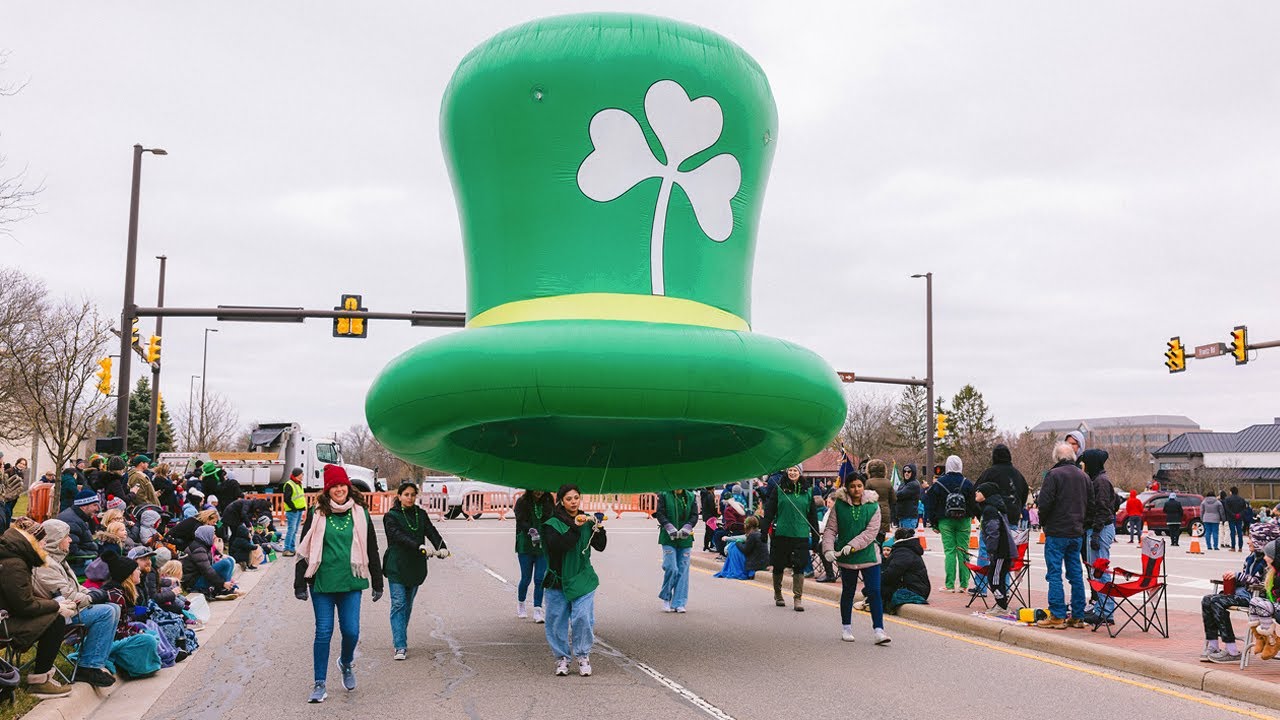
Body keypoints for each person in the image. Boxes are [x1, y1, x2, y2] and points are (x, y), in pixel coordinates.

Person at [294, 465, 383, 703]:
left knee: (351, 631)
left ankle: (345, 663)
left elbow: (371, 547)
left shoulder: (360, 514)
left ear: (348, 487)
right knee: (323, 632)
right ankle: (319, 684)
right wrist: (299, 583)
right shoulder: (318, 513)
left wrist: (377, 580)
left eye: (342, 485)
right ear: (328, 490)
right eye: (334, 486)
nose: (339, 489)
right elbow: (306, 547)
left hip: (351, 581)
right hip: (322, 582)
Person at [32, 519, 120, 687]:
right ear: (56, 539)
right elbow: (66, 596)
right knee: (106, 612)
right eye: (67, 536)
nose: (70, 540)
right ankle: (88, 667)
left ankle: (96, 663)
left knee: (114, 607)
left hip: (72, 607)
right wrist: (93, 598)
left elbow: (77, 587)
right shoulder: (44, 564)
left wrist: (93, 593)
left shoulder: (59, 559)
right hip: (58, 614)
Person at [0, 519, 77, 696]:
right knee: (55, 620)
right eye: (42, 540)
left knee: (55, 614)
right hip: (4, 622)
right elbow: (24, 606)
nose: (44, 544)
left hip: (8, 616)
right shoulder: (14, 564)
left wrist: (54, 605)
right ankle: (40, 681)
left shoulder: (14, 557)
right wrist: (56, 605)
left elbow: (21, 599)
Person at [542, 483, 607, 677]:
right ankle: (562, 658)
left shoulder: (587, 520)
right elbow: (558, 546)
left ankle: (582, 655)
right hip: (558, 579)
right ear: (561, 501)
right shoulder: (552, 523)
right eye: (568, 499)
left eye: (576, 498)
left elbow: (601, 546)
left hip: (582, 577)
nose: (573, 502)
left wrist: (599, 529)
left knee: (583, 617)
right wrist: (575, 528)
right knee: (556, 621)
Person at [821, 475, 890, 644]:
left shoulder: (873, 505)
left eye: (859, 486)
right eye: (852, 486)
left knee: (874, 592)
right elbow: (830, 529)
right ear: (847, 488)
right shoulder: (839, 505)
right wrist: (828, 549)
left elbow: (871, 532)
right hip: (847, 559)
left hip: (869, 556)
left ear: (864, 487)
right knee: (848, 592)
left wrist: (852, 545)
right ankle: (846, 628)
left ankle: (879, 631)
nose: (856, 489)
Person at [382, 481, 446, 661]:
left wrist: (442, 548)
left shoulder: (421, 514)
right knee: (398, 604)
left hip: (415, 566)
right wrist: (418, 545)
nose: (409, 498)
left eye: (412, 495)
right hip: (396, 565)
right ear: (399, 496)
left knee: (407, 605)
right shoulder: (391, 516)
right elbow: (397, 536)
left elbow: (432, 532)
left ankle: (400, 634)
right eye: (406, 495)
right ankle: (400, 646)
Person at [1199, 522, 1276, 664]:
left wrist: (1239, 576)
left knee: (1217, 602)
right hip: (1243, 594)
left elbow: (1264, 585)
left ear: (1261, 541)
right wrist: (1233, 579)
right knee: (1207, 600)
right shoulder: (1250, 558)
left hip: (1257, 599)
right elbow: (1245, 579)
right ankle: (1213, 645)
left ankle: (1232, 650)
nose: (1248, 541)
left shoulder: (1269, 561)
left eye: (1252, 538)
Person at [1036, 443, 1089, 629]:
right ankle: (1078, 615)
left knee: (1054, 574)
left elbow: (1044, 503)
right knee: (1076, 574)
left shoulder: (1054, 475)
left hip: (1057, 531)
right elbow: (1090, 504)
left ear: (1057, 458)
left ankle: (1057, 615)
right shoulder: (1083, 476)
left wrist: (1044, 522)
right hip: (1076, 532)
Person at [763, 465, 818, 611]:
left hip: (800, 534)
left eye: (796, 470)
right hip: (781, 533)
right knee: (779, 565)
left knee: (799, 566)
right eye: (790, 470)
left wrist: (816, 535)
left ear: (800, 473)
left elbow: (812, 515)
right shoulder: (779, 489)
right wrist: (763, 531)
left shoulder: (808, 491)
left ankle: (797, 598)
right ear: (787, 472)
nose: (793, 472)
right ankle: (778, 594)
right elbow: (769, 511)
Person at [924, 455, 974, 593]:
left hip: (945, 521)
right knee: (963, 552)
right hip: (964, 521)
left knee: (950, 552)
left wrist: (934, 523)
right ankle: (964, 584)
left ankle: (950, 584)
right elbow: (973, 504)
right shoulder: (967, 483)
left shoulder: (939, 483)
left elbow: (930, 504)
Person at [1080, 449, 1117, 623]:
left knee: (1101, 570)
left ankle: (1106, 612)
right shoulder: (1098, 479)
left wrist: (1095, 532)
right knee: (1097, 570)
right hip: (1099, 528)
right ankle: (1101, 608)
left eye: (1085, 462)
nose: (1083, 466)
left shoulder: (1101, 482)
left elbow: (1102, 508)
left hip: (1100, 529)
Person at [654, 487, 698, 613]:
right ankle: (666, 598)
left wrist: (688, 526)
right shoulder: (664, 494)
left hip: (685, 539)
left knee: (683, 570)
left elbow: (694, 515)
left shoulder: (691, 496)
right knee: (671, 567)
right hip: (668, 538)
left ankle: (679, 602)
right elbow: (660, 513)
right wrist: (668, 526)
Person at [975, 483, 1016, 615]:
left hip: (1000, 551)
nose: (976, 493)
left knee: (994, 579)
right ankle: (1001, 604)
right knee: (997, 578)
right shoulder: (994, 508)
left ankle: (1002, 606)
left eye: (979, 491)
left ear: (986, 494)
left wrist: (992, 551)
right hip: (1003, 550)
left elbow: (993, 531)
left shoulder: (990, 510)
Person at [514, 489, 555, 622]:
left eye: (542, 489)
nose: (539, 492)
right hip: (525, 545)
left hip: (542, 546)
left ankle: (538, 610)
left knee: (539, 579)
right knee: (526, 578)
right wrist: (531, 531)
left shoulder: (548, 502)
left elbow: (551, 520)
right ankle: (521, 604)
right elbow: (520, 521)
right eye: (536, 489)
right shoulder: (522, 501)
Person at [975, 444, 1029, 528]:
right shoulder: (1018, 475)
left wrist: (980, 514)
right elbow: (1024, 494)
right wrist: (1017, 510)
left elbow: (975, 495)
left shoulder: (988, 474)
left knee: (989, 540)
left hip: (990, 519)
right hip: (1012, 518)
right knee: (1010, 541)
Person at [880, 527, 930, 613]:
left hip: (914, 590)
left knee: (879, 589)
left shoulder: (903, 552)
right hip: (919, 588)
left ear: (896, 538)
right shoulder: (908, 549)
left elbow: (891, 574)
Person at [181, 524, 239, 599]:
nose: (215, 536)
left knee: (230, 560)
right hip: (194, 582)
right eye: (213, 534)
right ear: (206, 535)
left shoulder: (204, 545)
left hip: (200, 577)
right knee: (225, 563)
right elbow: (207, 570)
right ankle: (223, 588)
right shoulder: (198, 549)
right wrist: (222, 583)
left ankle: (225, 589)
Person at [56, 489, 101, 575]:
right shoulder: (72, 522)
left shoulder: (77, 517)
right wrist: (94, 554)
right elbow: (72, 551)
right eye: (94, 505)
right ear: (83, 506)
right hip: (76, 565)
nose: (97, 508)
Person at [862, 460, 896, 545]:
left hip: (872, 511)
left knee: (871, 537)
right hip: (885, 512)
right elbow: (894, 499)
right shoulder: (887, 482)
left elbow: (864, 498)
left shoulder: (869, 482)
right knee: (881, 537)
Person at [282, 467, 308, 557]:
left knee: (295, 530)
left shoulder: (298, 483)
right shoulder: (289, 484)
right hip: (293, 511)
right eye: (302, 474)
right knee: (291, 530)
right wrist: (293, 508)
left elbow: (299, 497)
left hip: (298, 510)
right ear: (297, 474)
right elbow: (287, 498)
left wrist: (302, 507)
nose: (303, 476)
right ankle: (286, 549)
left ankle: (292, 548)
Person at [894, 465, 921, 531]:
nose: (906, 473)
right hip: (902, 517)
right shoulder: (903, 484)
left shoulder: (913, 484)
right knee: (902, 540)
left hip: (909, 517)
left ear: (913, 473)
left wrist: (893, 493)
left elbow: (900, 494)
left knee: (908, 539)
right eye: (905, 471)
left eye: (909, 471)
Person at [1224, 487, 1249, 552]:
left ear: (1231, 492)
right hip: (1239, 518)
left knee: (1232, 532)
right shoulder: (1242, 499)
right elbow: (1245, 509)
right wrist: (1239, 514)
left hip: (1231, 518)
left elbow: (1227, 509)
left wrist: (1233, 514)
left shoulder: (1227, 499)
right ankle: (1240, 547)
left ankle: (1233, 547)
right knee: (1240, 532)